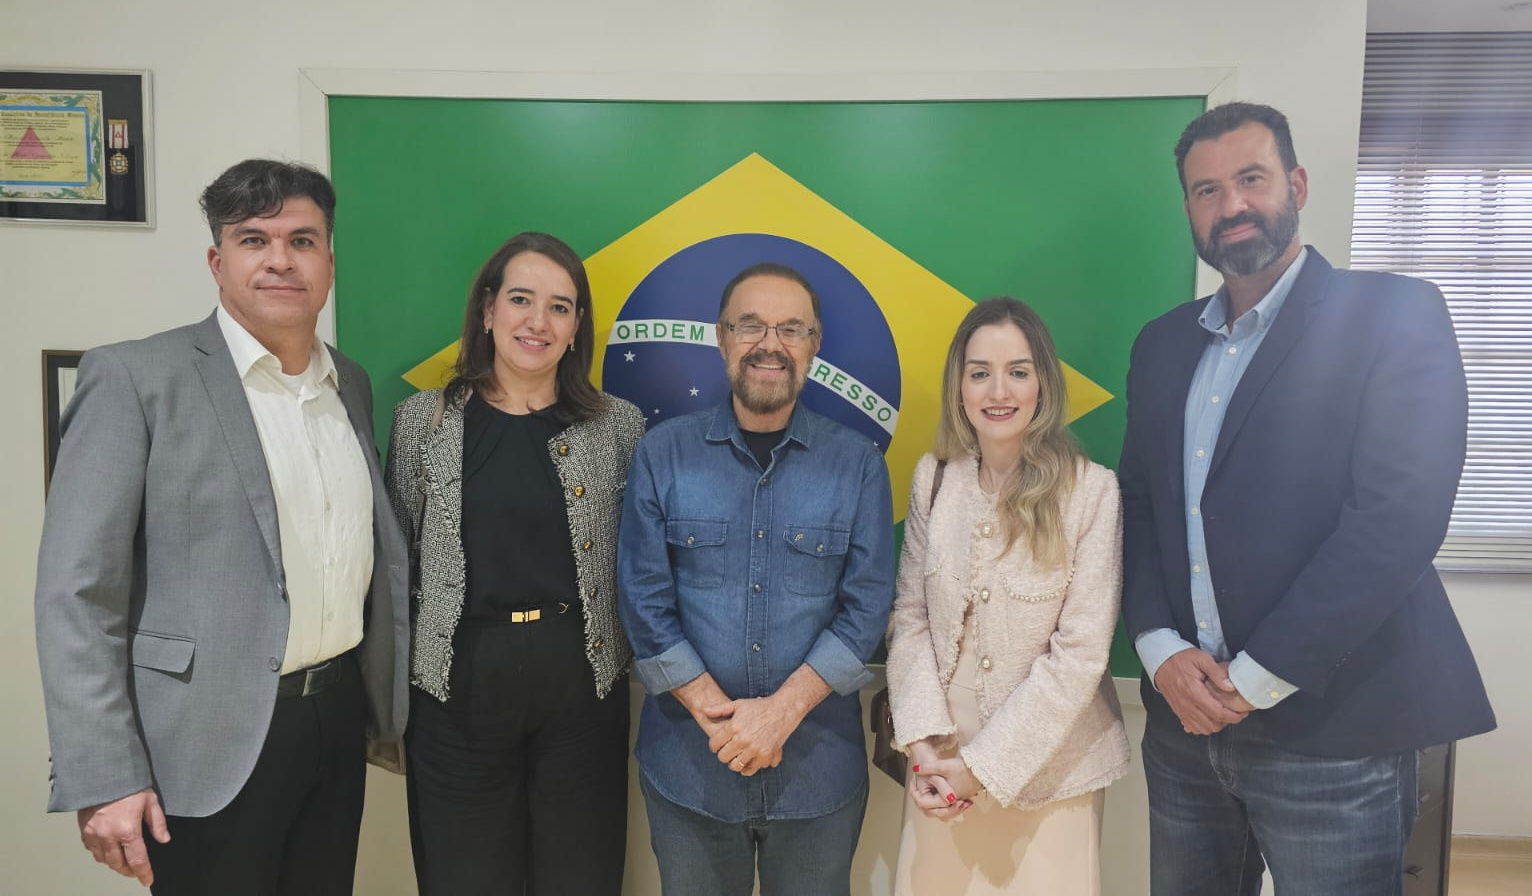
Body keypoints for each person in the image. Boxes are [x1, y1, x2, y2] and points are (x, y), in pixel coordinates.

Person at [1120, 101, 1496, 895]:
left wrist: (1257, 677)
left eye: (1250, 179)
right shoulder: (1161, 344)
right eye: (1207, 190)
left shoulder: (1394, 314)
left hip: (1335, 732)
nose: (1231, 205)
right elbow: (1142, 502)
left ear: (1294, 185)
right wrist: (1157, 648)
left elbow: (1398, 519)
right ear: (1189, 209)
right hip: (1184, 728)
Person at [34, 159, 410, 894]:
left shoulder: (351, 385)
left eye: (302, 241)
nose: (280, 260)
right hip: (203, 738)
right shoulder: (136, 379)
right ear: (217, 261)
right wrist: (104, 774)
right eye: (254, 240)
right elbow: (76, 593)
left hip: (334, 721)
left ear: (329, 264)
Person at [617, 261, 895, 896]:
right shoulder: (662, 454)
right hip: (689, 772)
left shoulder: (857, 466)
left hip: (818, 780)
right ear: (722, 337)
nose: (771, 344)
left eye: (791, 329)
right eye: (751, 326)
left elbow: (867, 605)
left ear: (813, 345)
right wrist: (722, 722)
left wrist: (779, 715)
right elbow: (643, 597)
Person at [385, 231, 644, 896]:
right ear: (487, 310)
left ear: (577, 326)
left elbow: (641, 566)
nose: (538, 322)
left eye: (560, 307)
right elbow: (395, 570)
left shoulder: (619, 427)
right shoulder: (421, 424)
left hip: (582, 688)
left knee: (581, 878)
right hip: (457, 691)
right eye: (521, 300)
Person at [885, 297, 1129, 895]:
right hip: (939, 765)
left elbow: (1080, 655)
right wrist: (925, 748)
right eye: (980, 373)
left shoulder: (1092, 492)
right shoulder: (934, 478)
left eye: (1018, 371)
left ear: (1043, 383)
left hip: (1051, 777)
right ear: (959, 386)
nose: (999, 392)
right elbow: (910, 619)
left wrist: (982, 769)